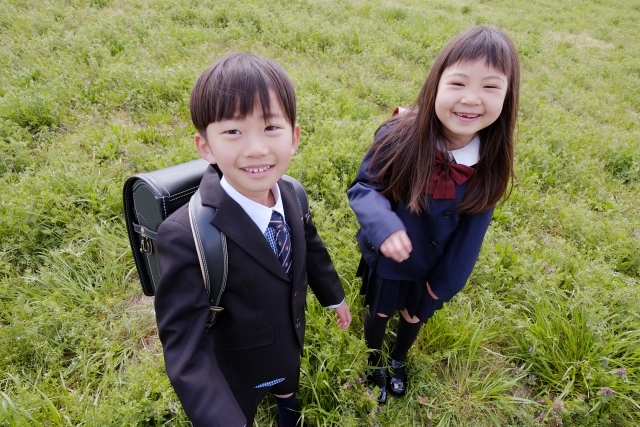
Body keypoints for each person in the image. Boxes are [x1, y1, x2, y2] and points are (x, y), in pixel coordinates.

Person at [154, 52, 352, 427]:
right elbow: (185, 347)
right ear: (205, 147)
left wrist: (334, 296)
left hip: (288, 339)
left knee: (286, 381)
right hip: (237, 362)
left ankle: (286, 407)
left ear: (294, 137)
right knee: (242, 406)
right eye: (233, 131)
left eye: (270, 127)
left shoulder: (290, 192)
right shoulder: (187, 235)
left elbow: (309, 246)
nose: (256, 148)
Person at [347, 25, 520, 403]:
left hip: (433, 266)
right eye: (458, 84)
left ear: (508, 97)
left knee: (413, 316)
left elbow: (473, 233)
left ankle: (398, 359)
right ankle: (374, 360)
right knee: (379, 312)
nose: (472, 99)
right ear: (435, 84)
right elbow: (364, 188)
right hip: (391, 258)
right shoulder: (398, 134)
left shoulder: (490, 162)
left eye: (491, 87)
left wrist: (445, 282)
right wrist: (384, 226)